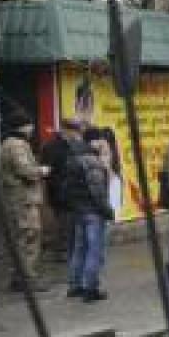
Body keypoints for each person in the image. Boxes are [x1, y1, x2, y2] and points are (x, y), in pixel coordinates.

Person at [0, 109, 52, 291]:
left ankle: (18, 277)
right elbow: (24, 170)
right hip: (23, 200)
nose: (32, 128)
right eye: (29, 124)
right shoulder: (17, 145)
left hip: (18, 199)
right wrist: (41, 171)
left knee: (21, 238)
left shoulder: (10, 143)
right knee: (30, 237)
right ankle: (28, 279)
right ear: (22, 126)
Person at [62, 121, 113, 302]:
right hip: (93, 211)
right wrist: (107, 211)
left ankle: (75, 285)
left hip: (78, 210)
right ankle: (90, 288)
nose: (102, 144)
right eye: (100, 140)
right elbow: (98, 191)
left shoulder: (73, 157)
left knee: (79, 248)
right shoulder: (91, 160)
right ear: (94, 141)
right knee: (94, 250)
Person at [40, 119, 77, 262]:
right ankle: (62, 251)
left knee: (70, 222)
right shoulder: (51, 147)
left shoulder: (71, 145)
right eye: (72, 130)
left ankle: (68, 250)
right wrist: (58, 185)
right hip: (59, 191)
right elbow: (47, 170)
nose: (74, 134)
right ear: (64, 130)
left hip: (71, 190)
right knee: (63, 222)